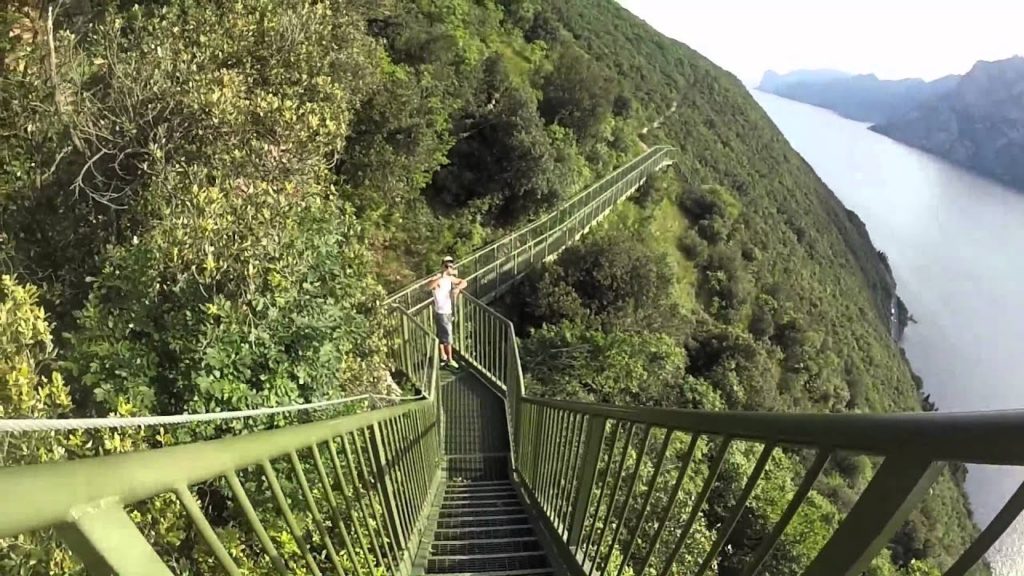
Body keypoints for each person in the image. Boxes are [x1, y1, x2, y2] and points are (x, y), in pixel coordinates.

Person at [428, 256, 468, 369]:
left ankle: (444, 357)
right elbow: (429, 286)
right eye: (446, 265)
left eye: (450, 265)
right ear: (442, 266)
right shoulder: (438, 278)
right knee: (447, 337)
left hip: (447, 311)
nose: (448, 267)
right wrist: (441, 275)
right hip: (442, 312)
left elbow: (464, 282)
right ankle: (449, 359)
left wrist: (457, 288)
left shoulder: (449, 279)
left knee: (442, 335)